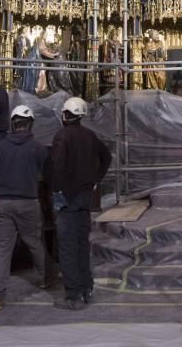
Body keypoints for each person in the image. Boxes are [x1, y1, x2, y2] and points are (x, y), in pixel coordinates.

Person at [0, 105, 52, 312]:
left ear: (12, 123)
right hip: (28, 202)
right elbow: (49, 173)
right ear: (30, 124)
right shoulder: (37, 147)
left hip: (2, 203)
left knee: (2, 249)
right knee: (35, 242)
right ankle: (45, 278)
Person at [50, 97, 111, 310]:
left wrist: (57, 191)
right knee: (82, 245)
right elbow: (107, 157)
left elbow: (57, 167)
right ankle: (87, 289)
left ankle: (73, 295)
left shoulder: (62, 136)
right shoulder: (90, 135)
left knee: (67, 247)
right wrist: (96, 179)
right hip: (85, 197)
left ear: (65, 115)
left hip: (67, 198)